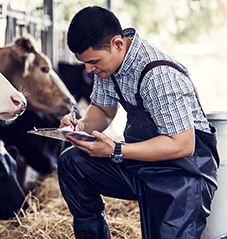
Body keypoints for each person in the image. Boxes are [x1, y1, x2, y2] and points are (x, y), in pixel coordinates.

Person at [57, 6, 219, 239]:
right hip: (143, 164)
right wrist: (80, 127)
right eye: (84, 63)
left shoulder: (159, 74)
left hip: (184, 175)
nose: (89, 69)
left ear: (118, 44)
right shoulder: (108, 66)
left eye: (93, 61)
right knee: (72, 162)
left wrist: (116, 150)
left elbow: (183, 145)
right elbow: (103, 110)